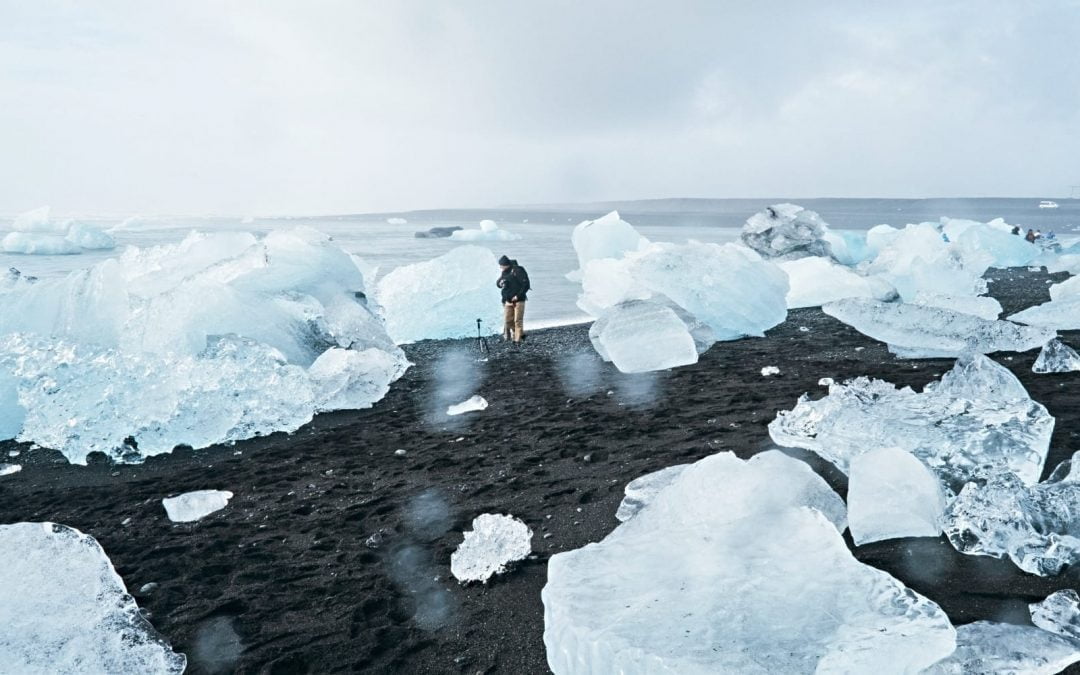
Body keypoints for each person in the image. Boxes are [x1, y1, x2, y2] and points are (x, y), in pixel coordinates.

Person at [496, 255, 530, 343]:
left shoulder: (518, 270)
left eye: (501, 265)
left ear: (506, 264)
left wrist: (518, 296)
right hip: (507, 300)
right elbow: (498, 282)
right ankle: (519, 334)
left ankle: (517, 340)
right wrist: (501, 283)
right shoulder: (504, 272)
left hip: (519, 300)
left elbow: (526, 285)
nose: (500, 267)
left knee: (517, 320)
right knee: (508, 321)